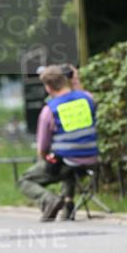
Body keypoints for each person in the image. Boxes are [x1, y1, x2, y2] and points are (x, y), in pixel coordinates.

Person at [18, 64, 98, 221]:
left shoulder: (50, 110)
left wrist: (44, 160)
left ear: (48, 87)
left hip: (66, 162)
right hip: (91, 160)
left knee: (25, 179)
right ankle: (68, 205)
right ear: (66, 80)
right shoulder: (87, 99)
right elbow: (82, 94)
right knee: (67, 163)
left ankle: (49, 200)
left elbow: (42, 146)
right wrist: (76, 81)